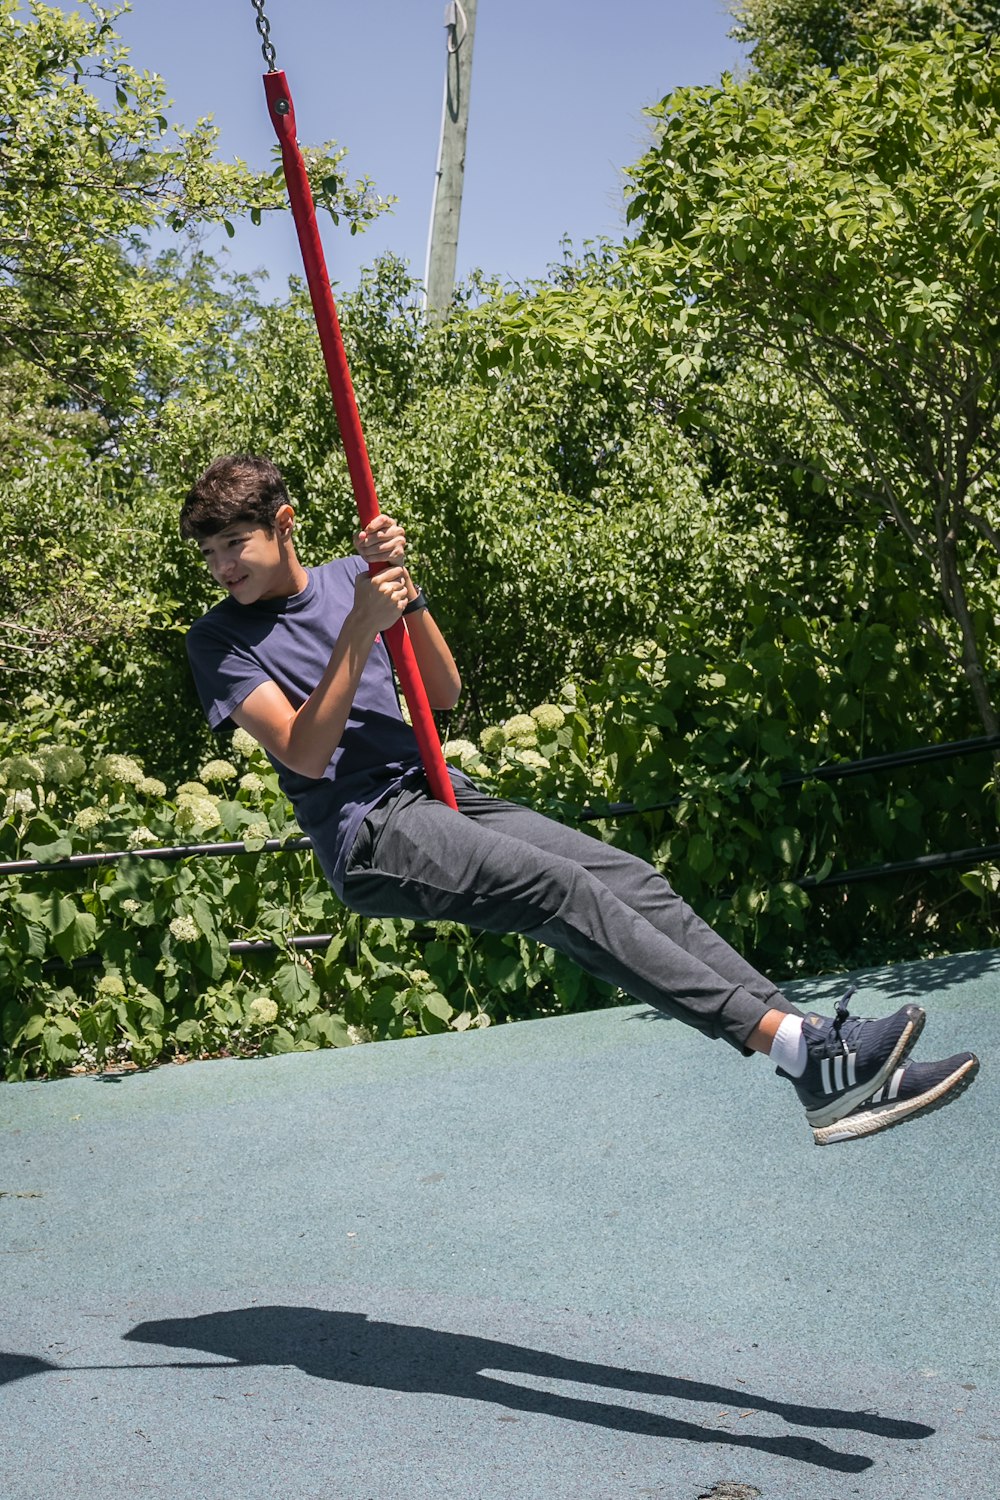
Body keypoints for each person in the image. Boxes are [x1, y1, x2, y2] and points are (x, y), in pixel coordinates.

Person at [181, 454, 979, 1146]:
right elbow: (306, 754)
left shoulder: (357, 578)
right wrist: (360, 626)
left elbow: (446, 692)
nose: (222, 566)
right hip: (371, 830)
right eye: (210, 553)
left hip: (443, 791)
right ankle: (804, 1052)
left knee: (629, 876)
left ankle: (823, 1060)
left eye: (234, 545)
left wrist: (405, 596)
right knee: (557, 891)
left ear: (285, 523)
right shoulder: (219, 640)